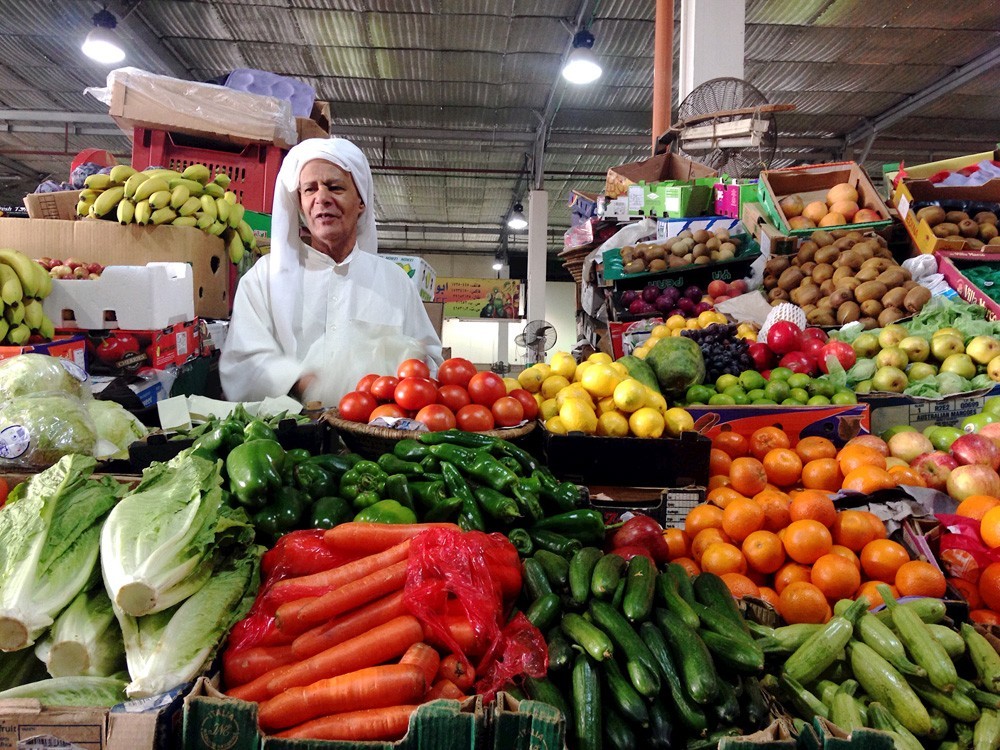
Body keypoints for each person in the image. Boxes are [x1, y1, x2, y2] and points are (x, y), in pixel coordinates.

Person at [220, 137, 443, 405]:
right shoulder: (262, 279)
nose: (321, 198)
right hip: (289, 436)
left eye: (335, 187)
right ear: (300, 205)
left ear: (361, 201)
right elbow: (243, 362)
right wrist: (300, 381)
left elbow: (429, 362)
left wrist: (411, 364)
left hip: (374, 436)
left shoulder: (395, 282)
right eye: (309, 190)